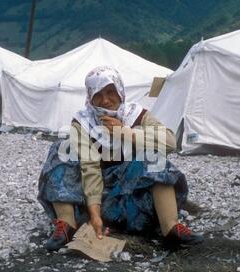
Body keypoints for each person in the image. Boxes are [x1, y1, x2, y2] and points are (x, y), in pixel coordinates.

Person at [38, 66, 203, 252]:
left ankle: (171, 229)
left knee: (153, 154)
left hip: (131, 194)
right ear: (90, 97)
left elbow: (170, 142)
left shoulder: (137, 115)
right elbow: (89, 168)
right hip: (95, 198)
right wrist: (95, 213)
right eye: (98, 95)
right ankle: (67, 224)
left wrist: (125, 132)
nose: (105, 100)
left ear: (120, 91)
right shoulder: (83, 122)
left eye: (110, 92)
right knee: (62, 149)